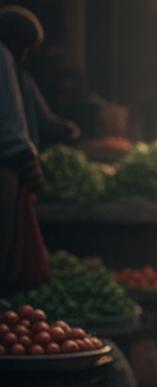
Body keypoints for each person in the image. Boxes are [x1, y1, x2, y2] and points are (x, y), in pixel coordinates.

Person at [0, 6, 49, 291]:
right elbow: (9, 123)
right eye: (25, 46)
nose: (25, 54)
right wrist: (27, 159)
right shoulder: (3, 58)